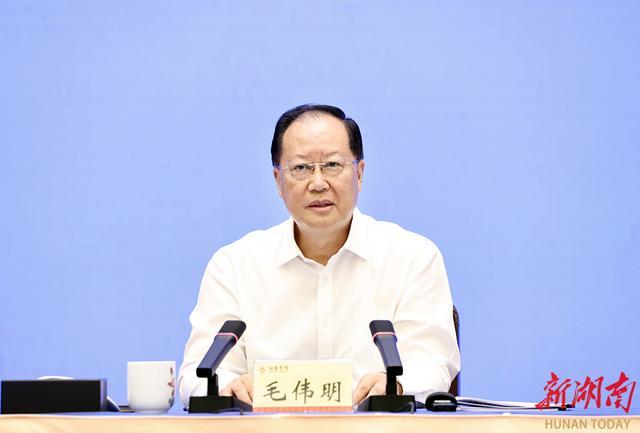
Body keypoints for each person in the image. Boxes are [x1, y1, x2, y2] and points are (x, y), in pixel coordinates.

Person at [178, 104, 460, 407]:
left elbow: (433, 363)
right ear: (278, 181)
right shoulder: (234, 266)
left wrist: (397, 385)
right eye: (301, 168)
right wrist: (228, 388)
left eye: (332, 165)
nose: (318, 183)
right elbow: (197, 375)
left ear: (359, 173)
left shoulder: (412, 258)